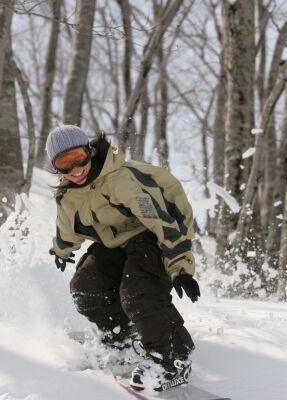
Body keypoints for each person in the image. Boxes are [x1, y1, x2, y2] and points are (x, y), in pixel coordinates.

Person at [46, 125, 201, 392]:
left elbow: (163, 222)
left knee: (139, 290)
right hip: (118, 241)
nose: (75, 170)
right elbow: (66, 228)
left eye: (79, 158)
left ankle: (173, 358)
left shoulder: (120, 180)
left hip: (156, 232)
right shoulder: (67, 195)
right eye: (64, 164)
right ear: (56, 168)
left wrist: (180, 266)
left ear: (90, 152)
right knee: (86, 288)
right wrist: (61, 251)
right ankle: (122, 337)